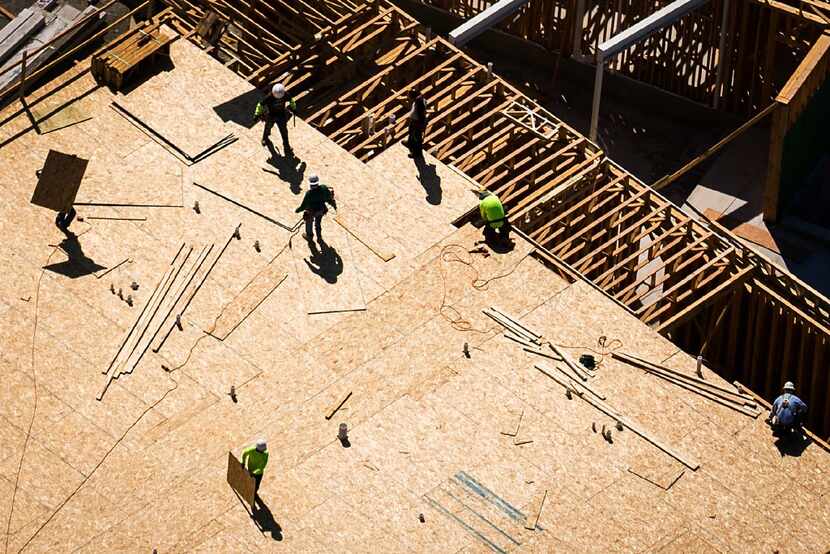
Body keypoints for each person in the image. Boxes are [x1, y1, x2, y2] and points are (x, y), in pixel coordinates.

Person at [255, 82, 296, 154]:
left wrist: (294, 108)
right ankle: (265, 138)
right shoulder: (269, 97)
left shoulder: (285, 94)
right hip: (271, 115)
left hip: (281, 115)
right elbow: (260, 105)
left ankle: (286, 147)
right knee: (267, 127)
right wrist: (257, 114)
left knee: (284, 132)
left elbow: (291, 101)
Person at [295, 174, 336, 243]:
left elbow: (303, 206)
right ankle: (319, 237)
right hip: (321, 210)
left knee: (308, 223)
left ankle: (309, 236)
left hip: (311, 212)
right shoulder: (323, 188)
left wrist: (297, 210)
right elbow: (329, 197)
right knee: (318, 223)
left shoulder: (309, 194)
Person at [407, 89, 427, 159]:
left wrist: (420, 124)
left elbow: (421, 115)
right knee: (411, 132)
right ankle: (409, 143)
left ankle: (416, 153)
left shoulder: (419, 102)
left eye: (409, 95)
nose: (408, 97)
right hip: (414, 121)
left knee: (416, 138)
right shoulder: (418, 100)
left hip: (417, 122)